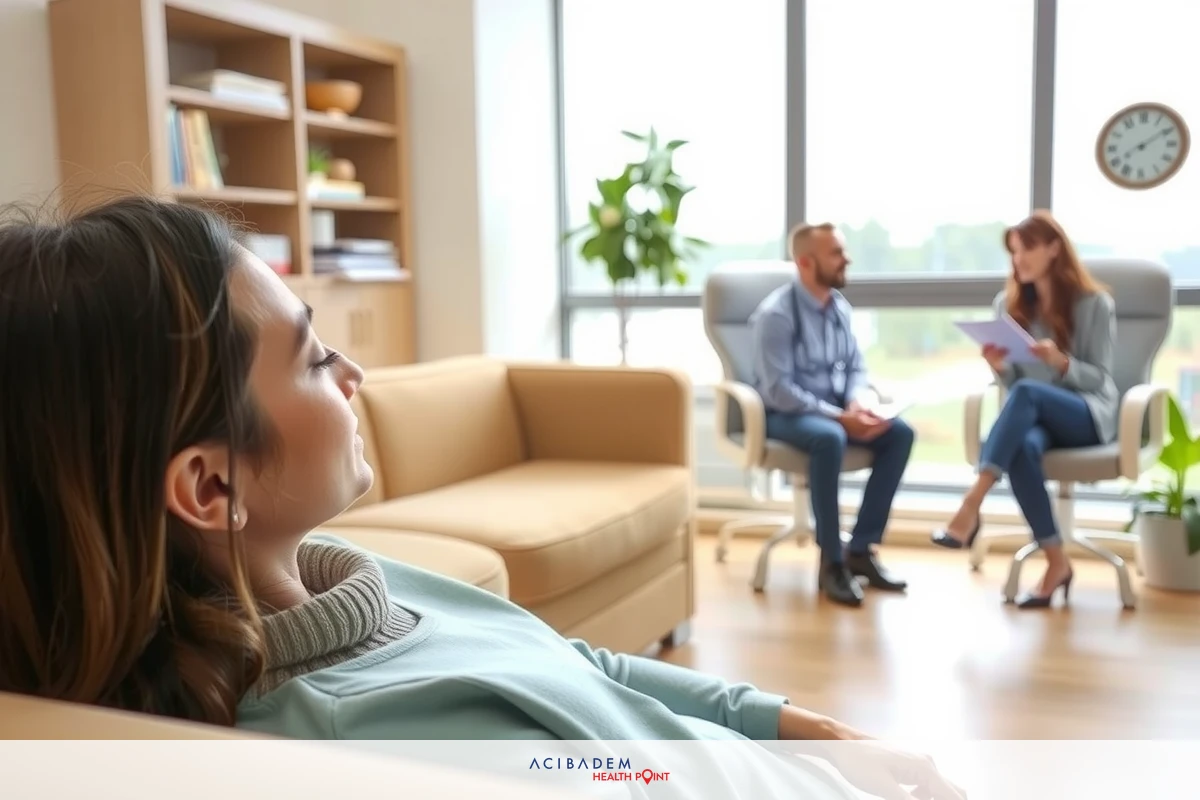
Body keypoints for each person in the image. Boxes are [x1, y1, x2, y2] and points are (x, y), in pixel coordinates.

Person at [0, 197, 964, 799]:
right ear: (212, 485)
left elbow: (579, 666)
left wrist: (814, 731)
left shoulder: (355, 585)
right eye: (312, 354)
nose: (356, 370)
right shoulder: (386, 742)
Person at [931, 210, 1118, 609]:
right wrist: (1000, 369)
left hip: (1086, 413)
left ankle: (971, 503)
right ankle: (1056, 562)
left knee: (1032, 394)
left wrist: (1061, 362)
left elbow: (1101, 379)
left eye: (1027, 248)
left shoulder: (1094, 304)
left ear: (1054, 249)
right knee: (1021, 448)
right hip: (1036, 413)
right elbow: (1017, 392)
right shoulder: (1010, 304)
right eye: (1014, 252)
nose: (1019, 259)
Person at [749, 223, 915, 608]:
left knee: (899, 433)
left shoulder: (838, 307)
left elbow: (856, 366)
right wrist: (839, 419)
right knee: (829, 438)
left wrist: (856, 402)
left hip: (833, 411)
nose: (847, 259)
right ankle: (832, 562)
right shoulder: (776, 315)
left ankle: (861, 549)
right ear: (806, 263)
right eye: (836, 253)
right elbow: (779, 390)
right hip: (783, 414)